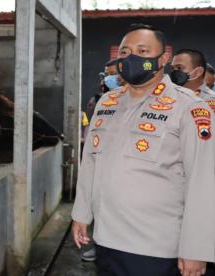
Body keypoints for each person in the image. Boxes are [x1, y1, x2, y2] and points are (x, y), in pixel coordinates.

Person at [72, 23, 215, 276]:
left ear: (163, 59)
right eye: (125, 52)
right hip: (106, 240)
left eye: (142, 50)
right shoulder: (108, 102)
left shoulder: (188, 107)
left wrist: (197, 248)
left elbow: (204, 182)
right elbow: (90, 162)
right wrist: (81, 214)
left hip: (155, 248)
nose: (132, 58)